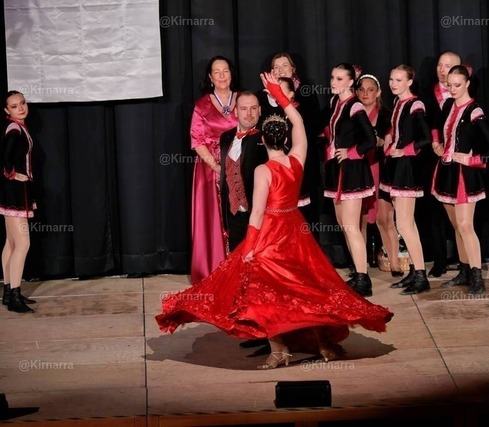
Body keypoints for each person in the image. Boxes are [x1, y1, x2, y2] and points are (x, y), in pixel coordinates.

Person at [156, 73, 393, 369]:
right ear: (284, 138)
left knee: (265, 293)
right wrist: (279, 96)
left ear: (263, 139)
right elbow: (299, 123)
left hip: (270, 232)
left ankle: (279, 350)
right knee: (304, 289)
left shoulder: (264, 171)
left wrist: (250, 247)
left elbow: (257, 213)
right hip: (294, 230)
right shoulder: (297, 158)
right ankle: (321, 344)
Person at [431, 65, 489, 295]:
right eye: (449, 85)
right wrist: (436, 143)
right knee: (457, 227)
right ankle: (464, 270)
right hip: (446, 172)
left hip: (465, 175)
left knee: (465, 226)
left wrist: (472, 160)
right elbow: (435, 126)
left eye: (457, 85)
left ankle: (477, 277)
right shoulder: (448, 105)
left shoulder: (474, 111)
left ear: (468, 83)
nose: (452, 89)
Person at [323, 63, 377, 297]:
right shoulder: (336, 104)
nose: (333, 82)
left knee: (351, 226)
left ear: (350, 82)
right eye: (332, 77)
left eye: (339, 78)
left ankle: (364, 279)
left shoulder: (355, 106)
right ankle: (358, 271)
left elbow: (370, 140)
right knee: (344, 225)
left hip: (353, 172)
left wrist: (351, 152)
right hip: (338, 172)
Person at [380, 65, 432, 295]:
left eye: (399, 80)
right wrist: (391, 144)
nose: (393, 84)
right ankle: (414, 270)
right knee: (404, 224)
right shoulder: (398, 104)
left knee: (404, 224)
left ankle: (421, 275)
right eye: (392, 79)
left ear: (410, 81)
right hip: (397, 166)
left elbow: (426, 138)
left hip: (408, 167)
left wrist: (404, 150)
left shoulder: (415, 105)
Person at [258, 52, 323, 237]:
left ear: (293, 69)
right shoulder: (263, 97)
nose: (280, 70)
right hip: (274, 167)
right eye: (276, 67)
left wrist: (283, 98)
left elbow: (310, 125)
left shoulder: (306, 93)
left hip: (301, 163)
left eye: (284, 66)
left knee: (306, 217)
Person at [190, 56, 239, 283]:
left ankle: (238, 266)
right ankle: (213, 268)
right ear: (210, 77)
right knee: (213, 217)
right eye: (216, 72)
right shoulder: (202, 105)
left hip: (239, 166)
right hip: (210, 170)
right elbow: (197, 141)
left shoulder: (243, 99)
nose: (221, 76)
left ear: (231, 73)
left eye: (225, 70)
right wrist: (217, 167)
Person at [418, 51, 463, 278]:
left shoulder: (466, 93)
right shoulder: (426, 94)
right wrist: (434, 143)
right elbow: (424, 125)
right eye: (439, 65)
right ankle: (439, 260)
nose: (441, 70)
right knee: (434, 210)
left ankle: (465, 259)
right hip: (432, 158)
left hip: (459, 159)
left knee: (461, 211)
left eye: (447, 65)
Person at [355, 74, 396, 276]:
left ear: (378, 92)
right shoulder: (352, 113)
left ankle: (395, 265)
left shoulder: (386, 115)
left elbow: (385, 141)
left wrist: (379, 141)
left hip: (382, 170)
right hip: (358, 171)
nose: (366, 94)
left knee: (384, 219)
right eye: (361, 89)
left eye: (370, 89)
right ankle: (361, 268)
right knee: (360, 220)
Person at [1, 91, 37, 313]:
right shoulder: (14, 129)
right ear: (7, 110)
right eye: (14, 106)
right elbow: (5, 159)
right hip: (14, 194)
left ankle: (8, 293)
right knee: (23, 244)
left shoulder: (17, 127)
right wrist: (13, 174)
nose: (21, 108)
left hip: (13, 193)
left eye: (22, 103)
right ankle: (14, 296)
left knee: (11, 243)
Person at [219, 92, 269, 252]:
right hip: (233, 214)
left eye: (253, 108)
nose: (249, 113)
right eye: (243, 108)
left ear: (260, 110)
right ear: (236, 111)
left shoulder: (266, 138)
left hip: (259, 214)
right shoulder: (225, 137)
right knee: (236, 259)